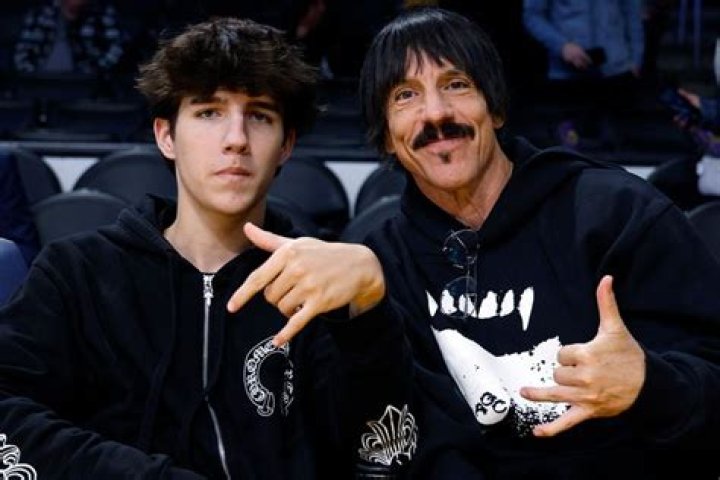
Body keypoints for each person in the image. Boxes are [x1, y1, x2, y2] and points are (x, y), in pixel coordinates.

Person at [0, 17, 415, 479]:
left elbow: (384, 452)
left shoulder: (321, 286)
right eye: (209, 113)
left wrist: (369, 320)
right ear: (166, 136)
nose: (236, 139)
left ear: (286, 145)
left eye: (260, 116)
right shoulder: (76, 273)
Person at [355, 7, 720, 478]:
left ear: (497, 108)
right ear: (386, 135)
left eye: (457, 85)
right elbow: (402, 439)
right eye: (405, 95)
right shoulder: (382, 264)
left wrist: (651, 385)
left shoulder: (618, 212)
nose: (437, 113)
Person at [522, 0, 644, 150]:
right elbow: (532, 16)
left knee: (614, 147)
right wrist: (562, 46)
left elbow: (632, 14)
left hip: (615, 73)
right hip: (567, 78)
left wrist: (636, 58)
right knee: (569, 149)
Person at [13, 0, 124, 74]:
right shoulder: (40, 13)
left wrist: (97, 73)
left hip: (86, 85)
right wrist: (31, 76)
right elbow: (22, 51)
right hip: (41, 83)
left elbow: (117, 48)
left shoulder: (102, 13)